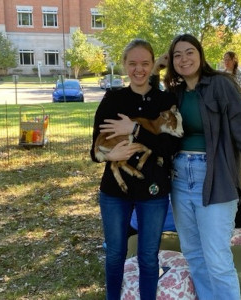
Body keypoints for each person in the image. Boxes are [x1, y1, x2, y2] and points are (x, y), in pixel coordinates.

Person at [151, 34, 241, 300]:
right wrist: (156, 68)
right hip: (180, 178)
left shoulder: (221, 85)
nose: (184, 59)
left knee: (217, 258)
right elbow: (147, 102)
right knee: (194, 253)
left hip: (214, 175)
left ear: (200, 55)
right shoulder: (176, 93)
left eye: (189, 52)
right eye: (177, 55)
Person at [90, 39, 181, 300]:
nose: (138, 69)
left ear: (152, 65)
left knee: (148, 257)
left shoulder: (166, 100)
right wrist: (110, 154)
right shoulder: (112, 98)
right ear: (124, 66)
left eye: (144, 63)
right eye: (132, 63)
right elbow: (94, 149)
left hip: (153, 191)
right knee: (116, 254)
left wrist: (135, 130)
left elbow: (170, 146)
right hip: (114, 193)